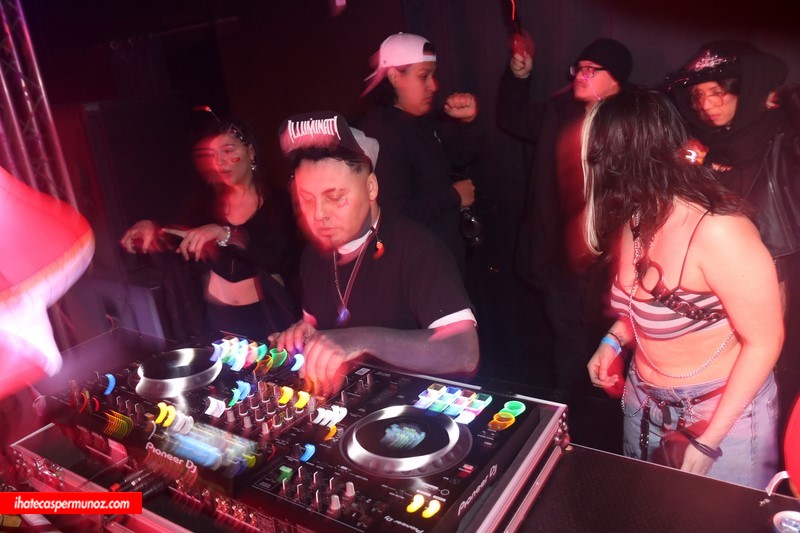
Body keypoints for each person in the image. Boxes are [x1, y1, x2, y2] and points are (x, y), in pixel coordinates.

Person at [585, 89, 783, 489]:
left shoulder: (718, 231)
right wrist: (613, 340)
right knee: (647, 511)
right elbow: (643, 304)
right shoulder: (636, 215)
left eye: (593, 153)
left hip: (720, 413)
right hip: (643, 401)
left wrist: (710, 441)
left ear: (619, 158)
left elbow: (765, 341)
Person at [270, 111, 479, 396]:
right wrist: (305, 331)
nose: (318, 214)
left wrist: (360, 339)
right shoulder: (313, 255)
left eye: (335, 197)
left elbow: (464, 352)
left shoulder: (419, 249)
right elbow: (319, 322)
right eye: (306, 200)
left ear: (371, 188)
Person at [665, 41, 800, 468]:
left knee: (775, 370)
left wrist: (788, 98)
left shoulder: (782, 134)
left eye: (718, 92)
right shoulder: (702, 146)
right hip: (722, 286)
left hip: (781, 273)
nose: (707, 105)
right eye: (698, 96)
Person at [497, 38, 632, 406]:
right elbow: (511, 116)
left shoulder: (632, 120)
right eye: (579, 68)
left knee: (609, 340)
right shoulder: (557, 111)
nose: (580, 76)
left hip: (613, 259)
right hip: (563, 256)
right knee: (568, 340)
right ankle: (567, 410)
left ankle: (606, 409)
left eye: (591, 70)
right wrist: (518, 78)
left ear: (616, 79)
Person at [119, 117, 300, 341]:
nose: (220, 162)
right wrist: (154, 229)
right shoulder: (205, 203)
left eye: (228, 151)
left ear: (251, 152)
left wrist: (226, 234)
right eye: (213, 155)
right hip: (217, 318)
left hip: (265, 318)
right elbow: (180, 239)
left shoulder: (278, 202)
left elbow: (279, 258)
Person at [357, 32, 482, 274]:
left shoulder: (418, 119)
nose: (434, 86)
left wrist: (469, 123)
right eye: (424, 76)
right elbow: (391, 219)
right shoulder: (381, 134)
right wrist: (453, 197)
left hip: (442, 261)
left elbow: (459, 157)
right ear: (395, 77)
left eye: (433, 75)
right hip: (421, 273)